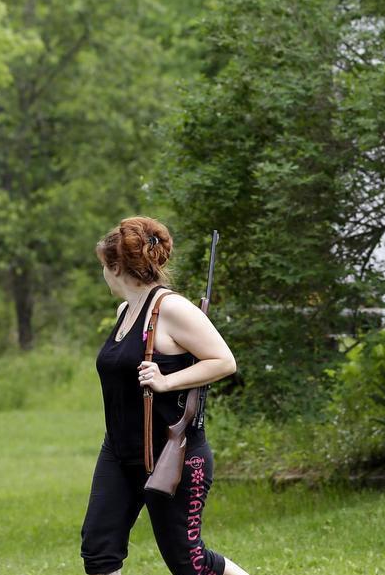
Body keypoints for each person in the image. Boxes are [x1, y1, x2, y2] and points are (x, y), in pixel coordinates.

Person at [81, 216, 249, 575]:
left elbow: (224, 360)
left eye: (103, 267)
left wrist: (166, 381)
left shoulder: (171, 308)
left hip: (173, 453)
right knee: (99, 551)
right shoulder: (125, 311)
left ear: (116, 267)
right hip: (119, 451)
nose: (103, 275)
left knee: (190, 563)